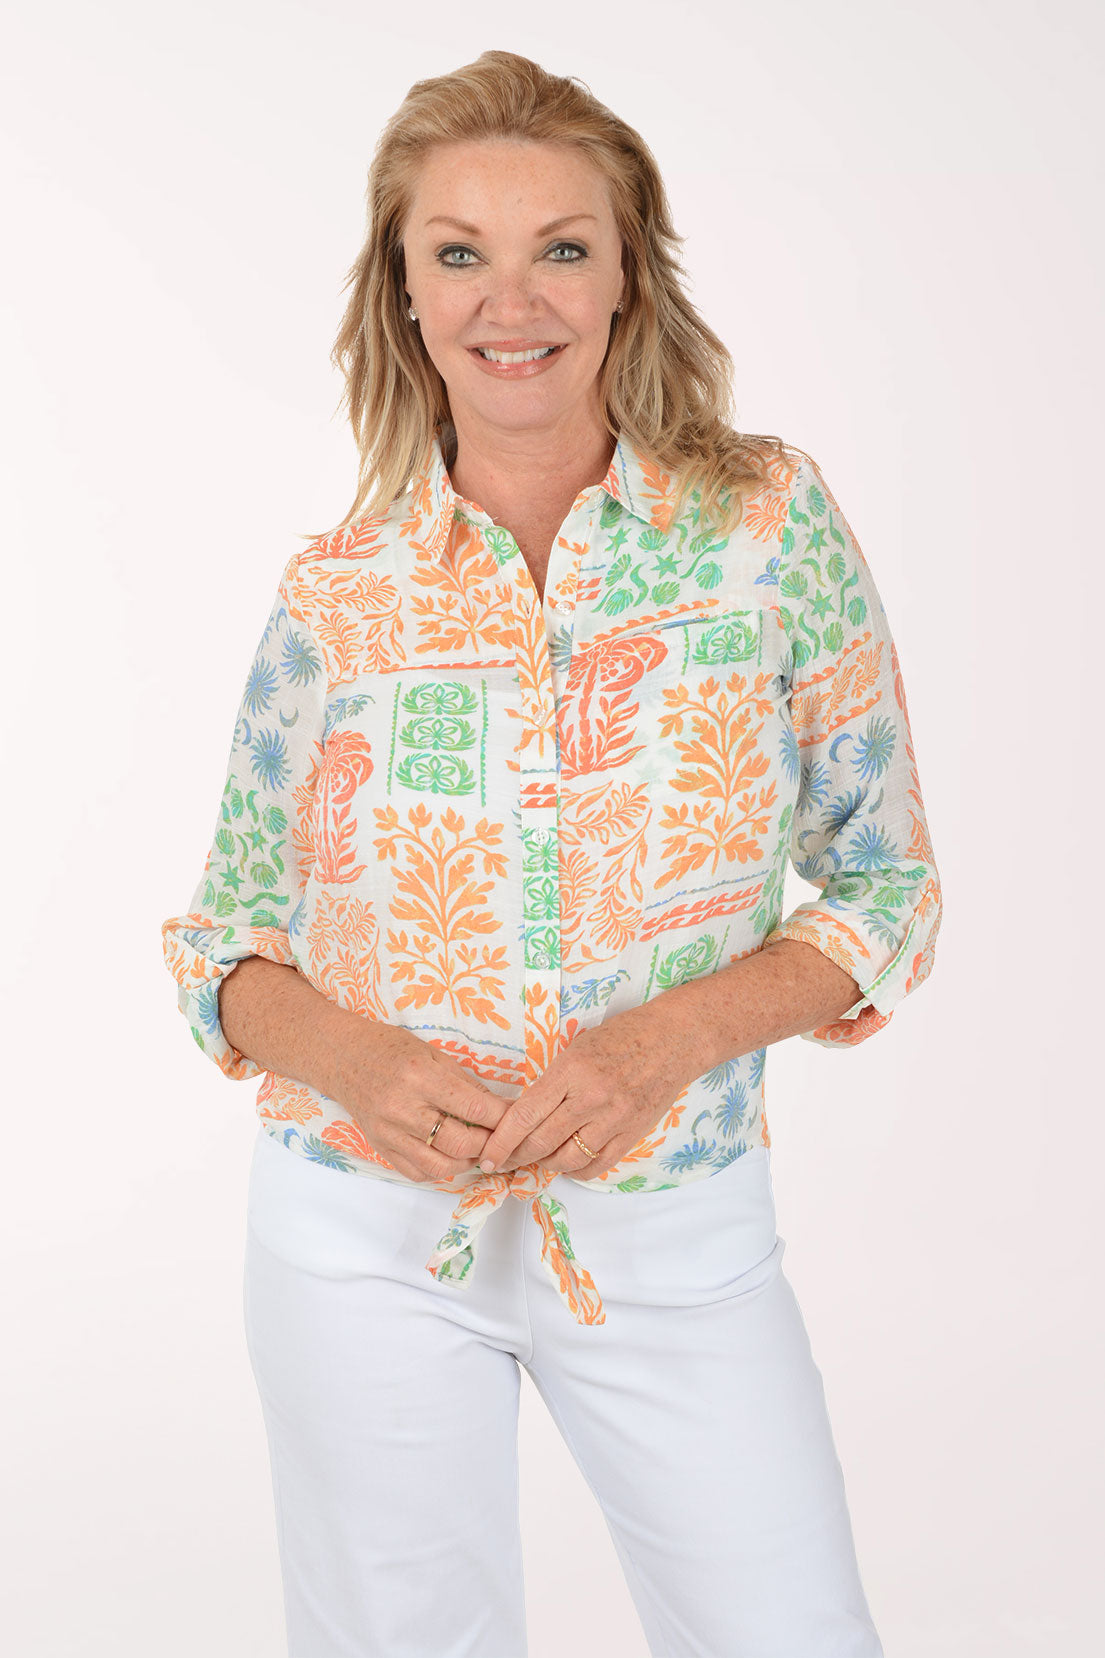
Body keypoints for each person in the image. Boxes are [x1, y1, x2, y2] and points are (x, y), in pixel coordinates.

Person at [161, 48, 941, 1658]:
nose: (509, 300)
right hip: (362, 1236)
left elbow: (885, 887)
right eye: (457, 252)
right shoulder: (338, 591)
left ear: (628, 278)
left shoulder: (764, 523)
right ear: (400, 294)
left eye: (559, 247)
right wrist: (360, 1059)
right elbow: (221, 942)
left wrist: (667, 1039)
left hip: (671, 1223)